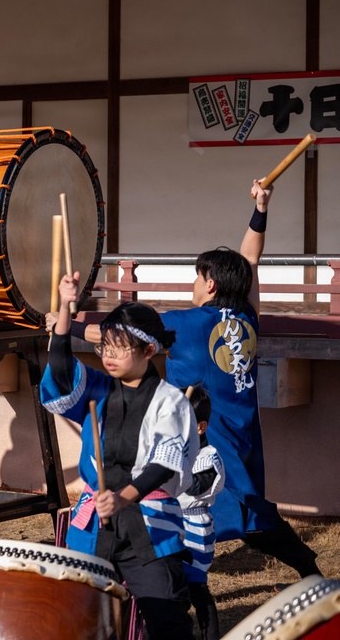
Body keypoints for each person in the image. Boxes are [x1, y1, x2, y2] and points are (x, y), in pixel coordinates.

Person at [57, 179, 321, 581]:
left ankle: (302, 572)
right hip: (243, 433)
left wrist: (65, 328)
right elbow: (250, 258)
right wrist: (261, 207)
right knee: (243, 513)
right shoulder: (249, 316)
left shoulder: (185, 324)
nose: (193, 285)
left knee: (238, 514)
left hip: (205, 440)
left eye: (197, 278)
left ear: (210, 284)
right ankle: (308, 569)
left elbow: (121, 336)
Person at [42, 277, 198, 640]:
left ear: (148, 351)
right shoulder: (97, 387)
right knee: (77, 618)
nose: (109, 355)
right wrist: (66, 308)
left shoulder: (169, 401)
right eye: (105, 347)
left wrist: (123, 497)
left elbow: (163, 464)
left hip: (149, 525)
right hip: (93, 522)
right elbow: (62, 370)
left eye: (120, 347)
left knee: (167, 619)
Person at [177, 386, 224, 640]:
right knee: (174, 586)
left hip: (195, 528)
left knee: (196, 587)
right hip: (172, 524)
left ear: (199, 427)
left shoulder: (208, 457)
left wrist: (174, 464)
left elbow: (195, 486)